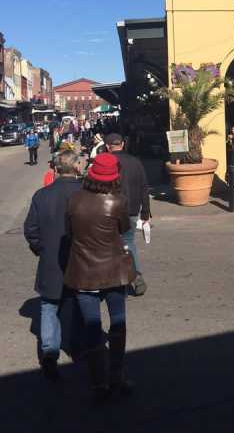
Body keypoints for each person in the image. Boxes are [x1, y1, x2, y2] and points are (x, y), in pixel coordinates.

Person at [64, 153, 135, 400]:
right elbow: (124, 230)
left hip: (84, 272)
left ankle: (99, 382)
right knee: (118, 323)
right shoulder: (118, 202)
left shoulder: (74, 200)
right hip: (114, 270)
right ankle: (117, 375)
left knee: (92, 327)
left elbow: (69, 232)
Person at [23, 151, 82, 380]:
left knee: (49, 307)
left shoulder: (42, 195)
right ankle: (77, 346)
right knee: (78, 304)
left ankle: (50, 350)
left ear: (56, 169)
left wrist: (42, 249)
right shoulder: (85, 192)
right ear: (76, 167)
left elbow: (31, 230)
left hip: (51, 261)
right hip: (80, 260)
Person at [105, 133, 151, 296]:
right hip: (131, 210)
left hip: (110, 210)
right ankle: (136, 276)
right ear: (122, 144)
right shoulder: (135, 162)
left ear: (107, 146)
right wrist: (145, 211)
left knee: (109, 245)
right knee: (129, 242)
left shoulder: (107, 162)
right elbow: (144, 187)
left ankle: (115, 281)